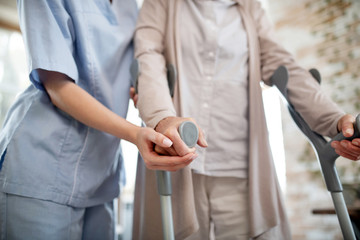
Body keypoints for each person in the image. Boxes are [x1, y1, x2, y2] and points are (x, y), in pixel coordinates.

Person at [131, 0, 360, 239]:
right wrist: (162, 118)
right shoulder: (161, 3)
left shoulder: (250, 7)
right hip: (176, 157)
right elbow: (148, 58)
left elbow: (284, 66)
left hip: (239, 165)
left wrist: (335, 120)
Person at [0, 0, 198, 239]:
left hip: (101, 176)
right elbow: (58, 87)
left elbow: (132, 73)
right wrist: (136, 134)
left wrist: (142, 95)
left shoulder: (129, 8)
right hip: (43, 167)